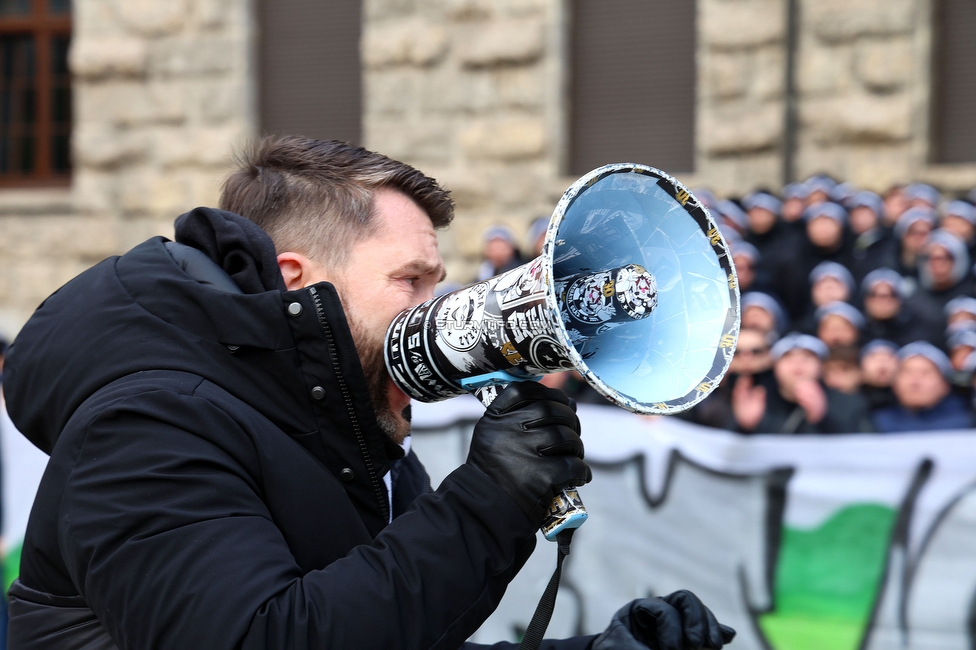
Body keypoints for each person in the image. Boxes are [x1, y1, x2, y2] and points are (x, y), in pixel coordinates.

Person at [2, 137, 734, 649]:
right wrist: (488, 503)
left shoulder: (356, 445)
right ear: (297, 280)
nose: (431, 307)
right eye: (409, 281)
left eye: (436, 284)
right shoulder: (147, 427)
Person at [731, 332, 873, 434]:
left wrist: (823, 420)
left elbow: (865, 451)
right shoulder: (756, 401)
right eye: (788, 357)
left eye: (807, 357)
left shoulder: (850, 403)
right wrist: (745, 428)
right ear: (775, 366)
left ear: (821, 366)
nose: (798, 363)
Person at [872, 342, 975, 432]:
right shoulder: (876, 423)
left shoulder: (968, 422)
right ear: (894, 383)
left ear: (945, 385)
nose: (915, 381)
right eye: (907, 372)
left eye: (925, 373)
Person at [860, 340, 900, 412]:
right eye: (875, 358)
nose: (882, 363)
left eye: (889, 358)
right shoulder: (850, 403)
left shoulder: (907, 405)